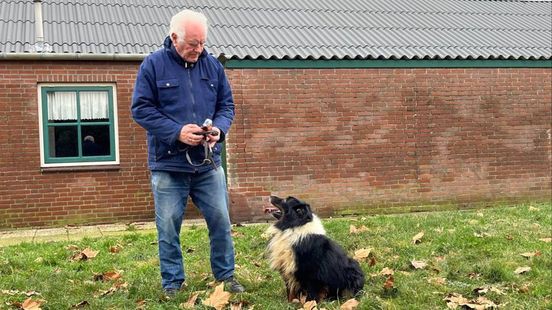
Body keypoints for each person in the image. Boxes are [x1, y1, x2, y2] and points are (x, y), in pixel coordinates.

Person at [131, 9, 243, 296]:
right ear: (174, 37)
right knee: (168, 227)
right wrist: (176, 132)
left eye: (203, 43)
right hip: (169, 165)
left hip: (208, 165)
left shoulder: (213, 67)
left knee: (221, 220)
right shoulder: (152, 66)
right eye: (193, 44)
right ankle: (173, 282)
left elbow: (226, 106)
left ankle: (227, 276)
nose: (199, 50)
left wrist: (219, 128)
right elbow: (141, 109)